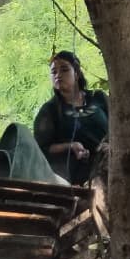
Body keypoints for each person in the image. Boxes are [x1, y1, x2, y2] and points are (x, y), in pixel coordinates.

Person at [34, 52, 109, 184]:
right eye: (53, 72)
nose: (58, 75)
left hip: (109, 167)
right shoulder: (50, 110)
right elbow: (41, 148)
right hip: (72, 177)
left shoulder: (99, 98)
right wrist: (71, 146)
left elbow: (120, 126)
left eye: (64, 69)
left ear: (77, 73)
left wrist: (110, 146)